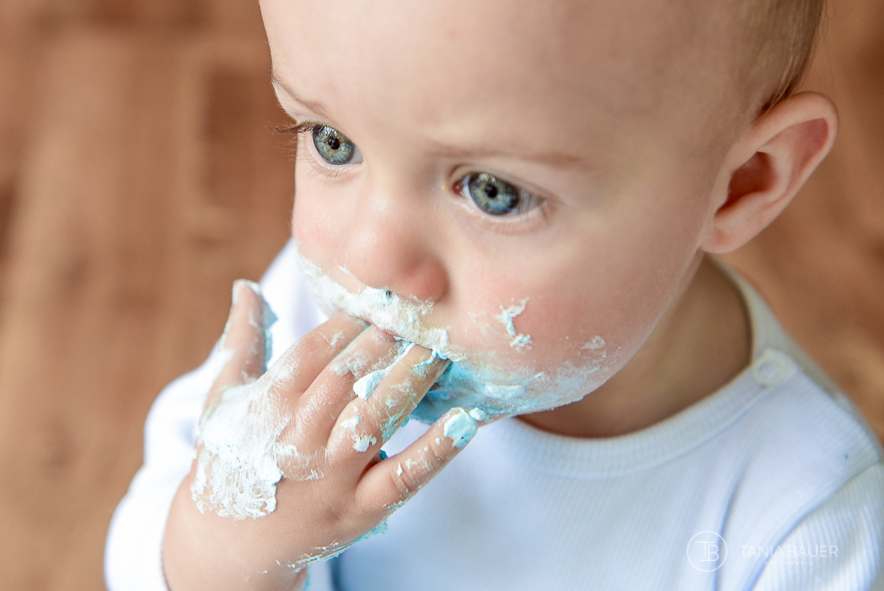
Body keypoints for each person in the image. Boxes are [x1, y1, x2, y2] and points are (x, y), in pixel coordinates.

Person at [106, 0, 884, 588]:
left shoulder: (801, 516)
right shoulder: (324, 331)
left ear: (740, 182)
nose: (372, 256)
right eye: (331, 141)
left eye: (493, 191)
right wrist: (229, 550)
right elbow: (152, 548)